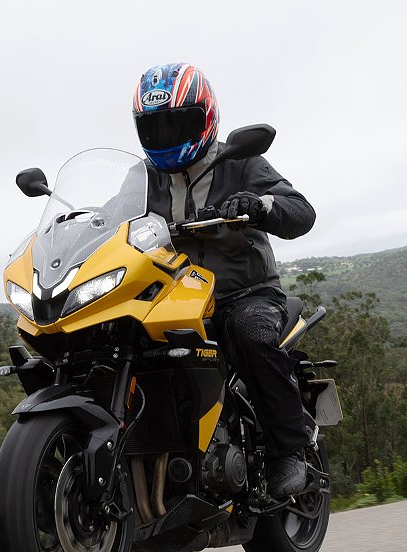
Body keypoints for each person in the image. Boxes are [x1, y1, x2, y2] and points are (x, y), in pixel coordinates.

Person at [132, 63, 317, 498]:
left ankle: (289, 451)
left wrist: (261, 204)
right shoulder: (142, 177)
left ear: (206, 118)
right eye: (156, 127)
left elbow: (301, 211)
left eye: (180, 122)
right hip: (173, 298)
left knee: (250, 333)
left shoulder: (239, 160)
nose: (169, 135)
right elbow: (112, 219)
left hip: (244, 292)